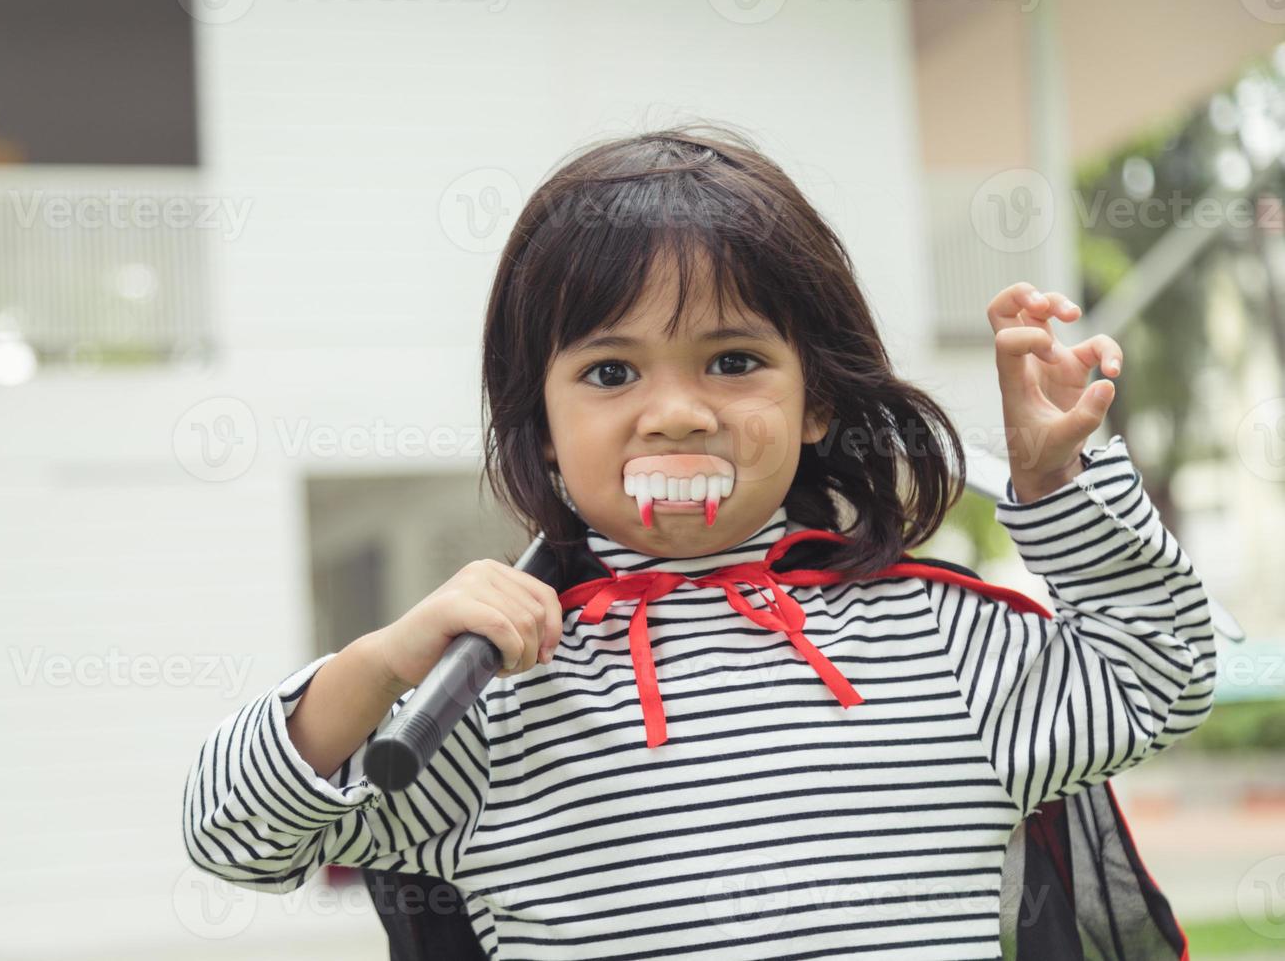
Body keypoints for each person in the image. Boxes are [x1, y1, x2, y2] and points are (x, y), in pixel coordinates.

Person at [182, 124, 1216, 960]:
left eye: (731, 359)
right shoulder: (490, 697)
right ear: (540, 425)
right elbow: (235, 832)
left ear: (816, 400)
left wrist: (1058, 487)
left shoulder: (942, 641)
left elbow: (1161, 672)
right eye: (610, 372)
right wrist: (382, 659)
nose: (675, 412)